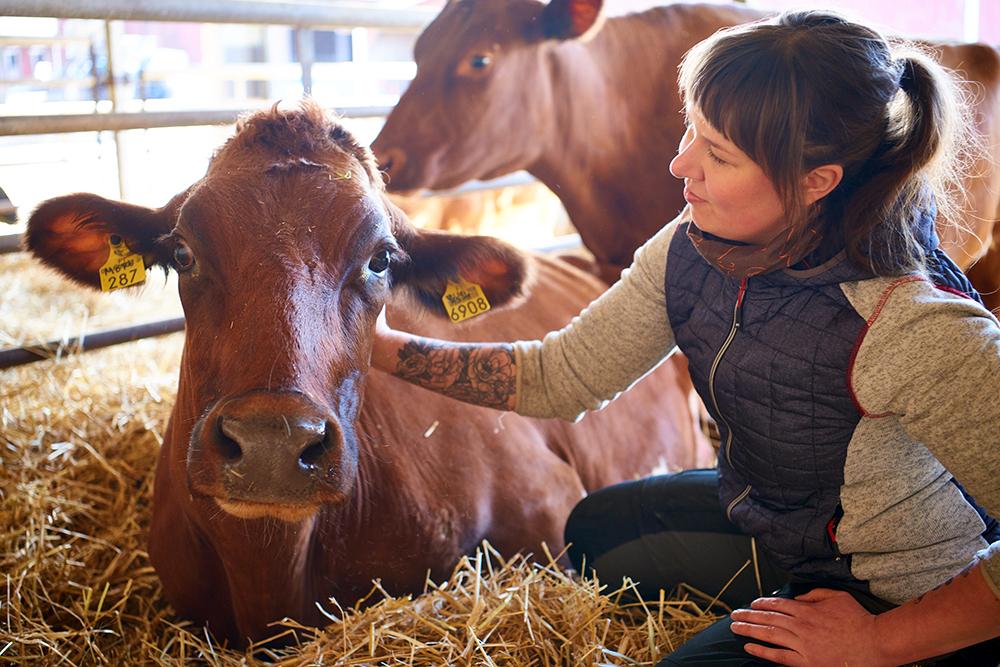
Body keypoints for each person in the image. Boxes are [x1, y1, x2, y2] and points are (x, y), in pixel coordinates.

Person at [372, 10, 1000, 665]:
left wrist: (877, 641)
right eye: (691, 130)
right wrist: (385, 349)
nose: (680, 164)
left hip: (899, 591)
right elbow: (562, 375)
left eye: (718, 154)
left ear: (817, 181)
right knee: (595, 533)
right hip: (784, 527)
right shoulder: (694, 248)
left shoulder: (911, 323)